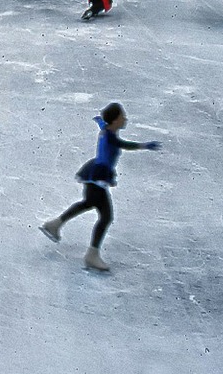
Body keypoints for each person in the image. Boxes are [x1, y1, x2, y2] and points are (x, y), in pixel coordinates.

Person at [39, 102, 162, 272]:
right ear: (115, 120)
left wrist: (99, 121)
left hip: (93, 175)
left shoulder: (107, 129)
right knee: (105, 216)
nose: (125, 119)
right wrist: (144, 145)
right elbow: (125, 145)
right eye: (122, 116)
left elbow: (103, 124)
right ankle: (91, 254)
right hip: (98, 177)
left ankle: (55, 224)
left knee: (88, 204)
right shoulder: (111, 137)